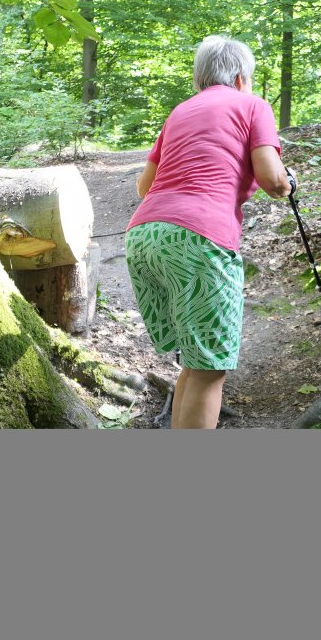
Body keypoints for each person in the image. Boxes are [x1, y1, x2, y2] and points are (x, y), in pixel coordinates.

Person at [125, 36, 292, 429]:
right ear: (239, 78)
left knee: (195, 365)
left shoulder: (180, 111)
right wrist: (288, 184)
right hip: (198, 240)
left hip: (145, 236)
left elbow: (144, 188)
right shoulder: (253, 105)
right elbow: (273, 179)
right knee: (210, 369)